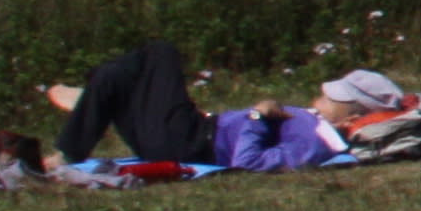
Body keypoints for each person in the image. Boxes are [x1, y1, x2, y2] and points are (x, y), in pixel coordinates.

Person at [37, 41, 345, 171]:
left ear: (351, 116)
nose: (321, 95)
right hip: (194, 131)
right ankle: (97, 102)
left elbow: (248, 162)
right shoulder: (314, 125)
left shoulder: (314, 143)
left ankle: (93, 106)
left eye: (334, 97)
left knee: (160, 53)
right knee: (119, 74)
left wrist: (257, 114)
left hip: (190, 144)